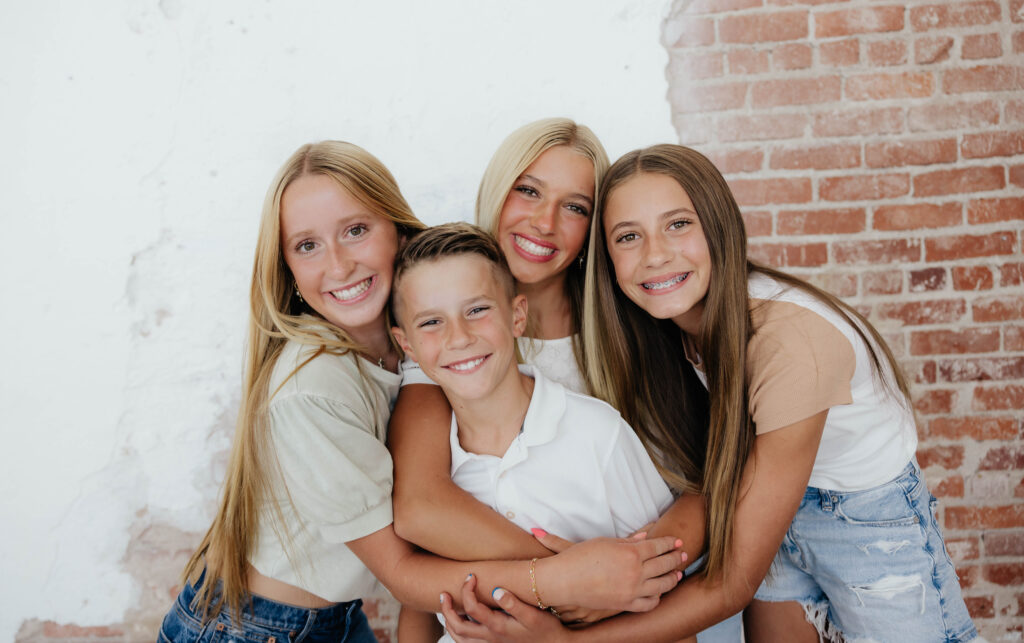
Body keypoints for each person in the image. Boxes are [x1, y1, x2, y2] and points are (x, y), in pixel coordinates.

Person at [441, 144, 978, 643]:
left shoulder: (789, 342)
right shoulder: (655, 320)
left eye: (678, 224)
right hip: (751, 494)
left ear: (718, 225)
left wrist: (567, 638)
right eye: (628, 236)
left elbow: (730, 585)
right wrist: (616, 576)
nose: (655, 255)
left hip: (862, 518)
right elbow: (706, 477)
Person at [156, 141, 686, 643]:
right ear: (288, 268)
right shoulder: (312, 389)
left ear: (400, 233)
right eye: (307, 245)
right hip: (255, 627)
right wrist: (572, 579)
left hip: (337, 618)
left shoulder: (426, 346)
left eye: (356, 230)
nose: (338, 265)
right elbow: (405, 568)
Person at [390, 222, 679, 642]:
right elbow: (418, 599)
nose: (459, 337)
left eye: (477, 310)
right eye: (431, 321)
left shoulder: (598, 435)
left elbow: (669, 609)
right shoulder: (427, 468)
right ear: (407, 346)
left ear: (517, 316)